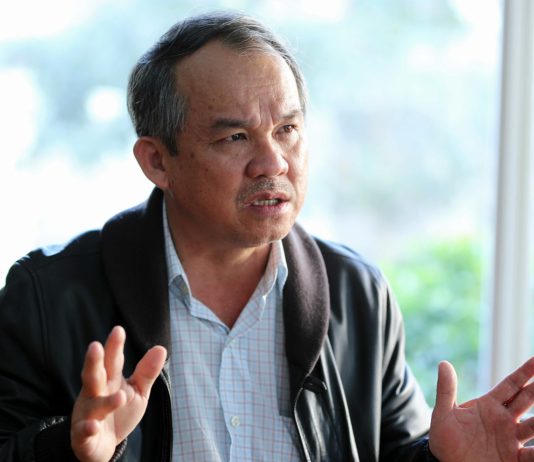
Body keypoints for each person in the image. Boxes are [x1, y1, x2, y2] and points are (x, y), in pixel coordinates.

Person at [0, 11, 533, 462]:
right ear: (157, 161)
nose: (273, 162)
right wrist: (68, 451)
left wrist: (442, 460)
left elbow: (395, 450)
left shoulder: (356, 293)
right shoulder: (47, 295)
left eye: (287, 130)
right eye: (236, 137)